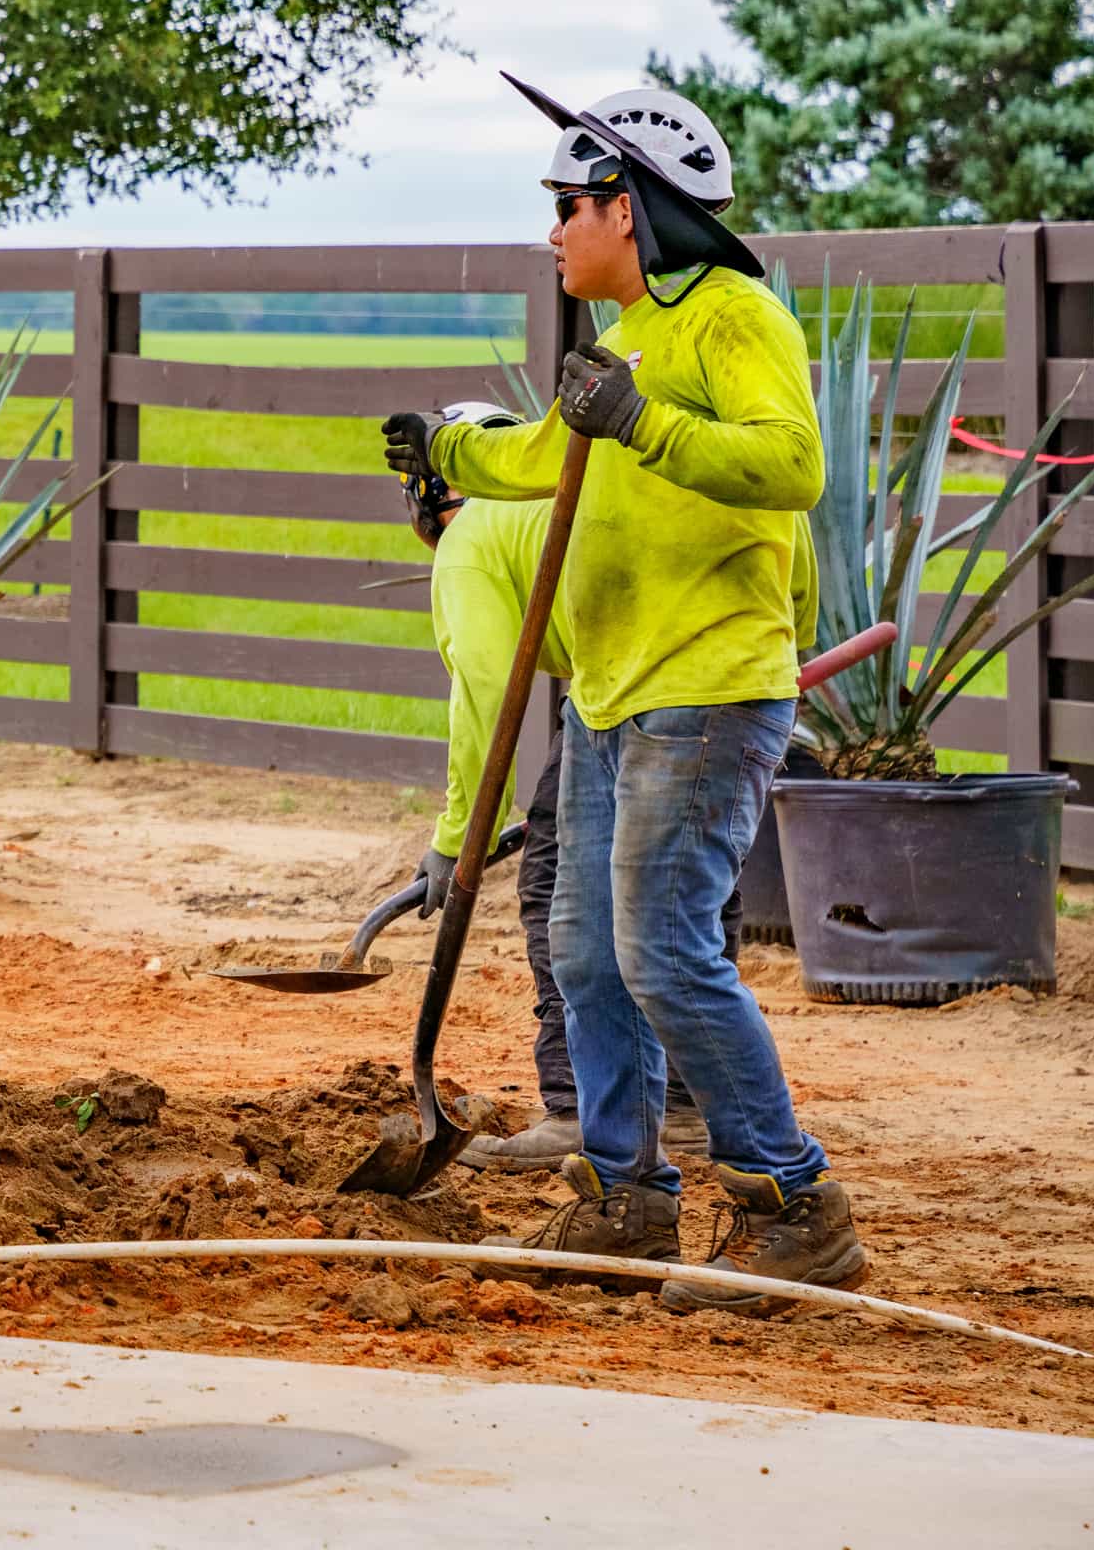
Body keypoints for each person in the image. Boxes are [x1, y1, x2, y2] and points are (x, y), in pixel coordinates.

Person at [385, 79, 866, 1310]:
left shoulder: (731, 316)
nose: (551, 233)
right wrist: (445, 449)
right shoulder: (624, 337)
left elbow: (794, 465)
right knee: (587, 950)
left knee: (663, 949)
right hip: (609, 696)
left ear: (632, 208)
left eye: (567, 206)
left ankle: (792, 1203)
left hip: (703, 691)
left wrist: (646, 420)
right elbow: (547, 456)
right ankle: (625, 1197)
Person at [402, 401, 708, 1174]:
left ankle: (579, 1105)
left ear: (431, 496)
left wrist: (453, 840)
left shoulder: (471, 541)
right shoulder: (561, 504)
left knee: (555, 884)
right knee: (684, 894)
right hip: (707, 671)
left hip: (633, 688)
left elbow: (485, 692)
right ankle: (682, 1107)